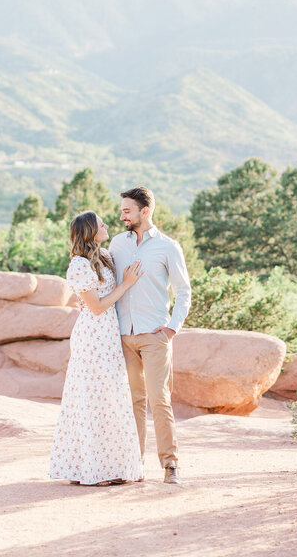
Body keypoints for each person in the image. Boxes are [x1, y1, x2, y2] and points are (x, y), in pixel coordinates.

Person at [48, 212, 145, 486]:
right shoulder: (79, 265)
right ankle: (93, 469)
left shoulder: (104, 258)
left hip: (109, 336)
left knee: (110, 399)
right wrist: (126, 284)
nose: (106, 226)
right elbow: (97, 306)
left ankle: (111, 466)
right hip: (92, 337)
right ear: (91, 231)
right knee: (93, 399)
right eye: (101, 224)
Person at [110, 186, 192, 485]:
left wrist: (172, 327)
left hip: (155, 335)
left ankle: (170, 465)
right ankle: (133, 465)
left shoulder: (168, 247)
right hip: (123, 334)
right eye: (122, 210)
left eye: (127, 210)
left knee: (160, 400)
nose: (122, 216)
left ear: (145, 211)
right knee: (132, 401)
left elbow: (184, 291)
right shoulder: (117, 244)